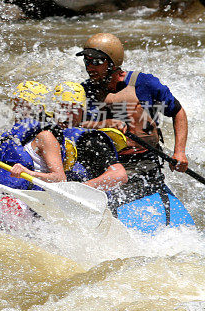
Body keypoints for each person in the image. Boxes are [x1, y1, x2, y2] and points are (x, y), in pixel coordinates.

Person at [76, 32, 184, 203]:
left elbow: (178, 111)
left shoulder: (145, 83)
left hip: (142, 162)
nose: (90, 67)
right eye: (87, 61)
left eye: (96, 61)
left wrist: (179, 152)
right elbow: (76, 126)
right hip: (106, 163)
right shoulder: (85, 90)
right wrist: (104, 124)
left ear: (112, 63)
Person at [0, 81, 66, 190]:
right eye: (15, 104)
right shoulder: (14, 135)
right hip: (1, 192)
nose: (15, 109)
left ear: (38, 108)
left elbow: (60, 178)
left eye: (21, 105)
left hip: (29, 197)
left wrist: (28, 173)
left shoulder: (45, 137)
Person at [52, 81, 128, 191]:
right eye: (62, 107)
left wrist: (82, 189)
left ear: (82, 112)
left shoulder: (91, 139)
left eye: (74, 108)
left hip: (88, 198)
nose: (67, 114)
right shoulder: (45, 135)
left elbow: (119, 175)